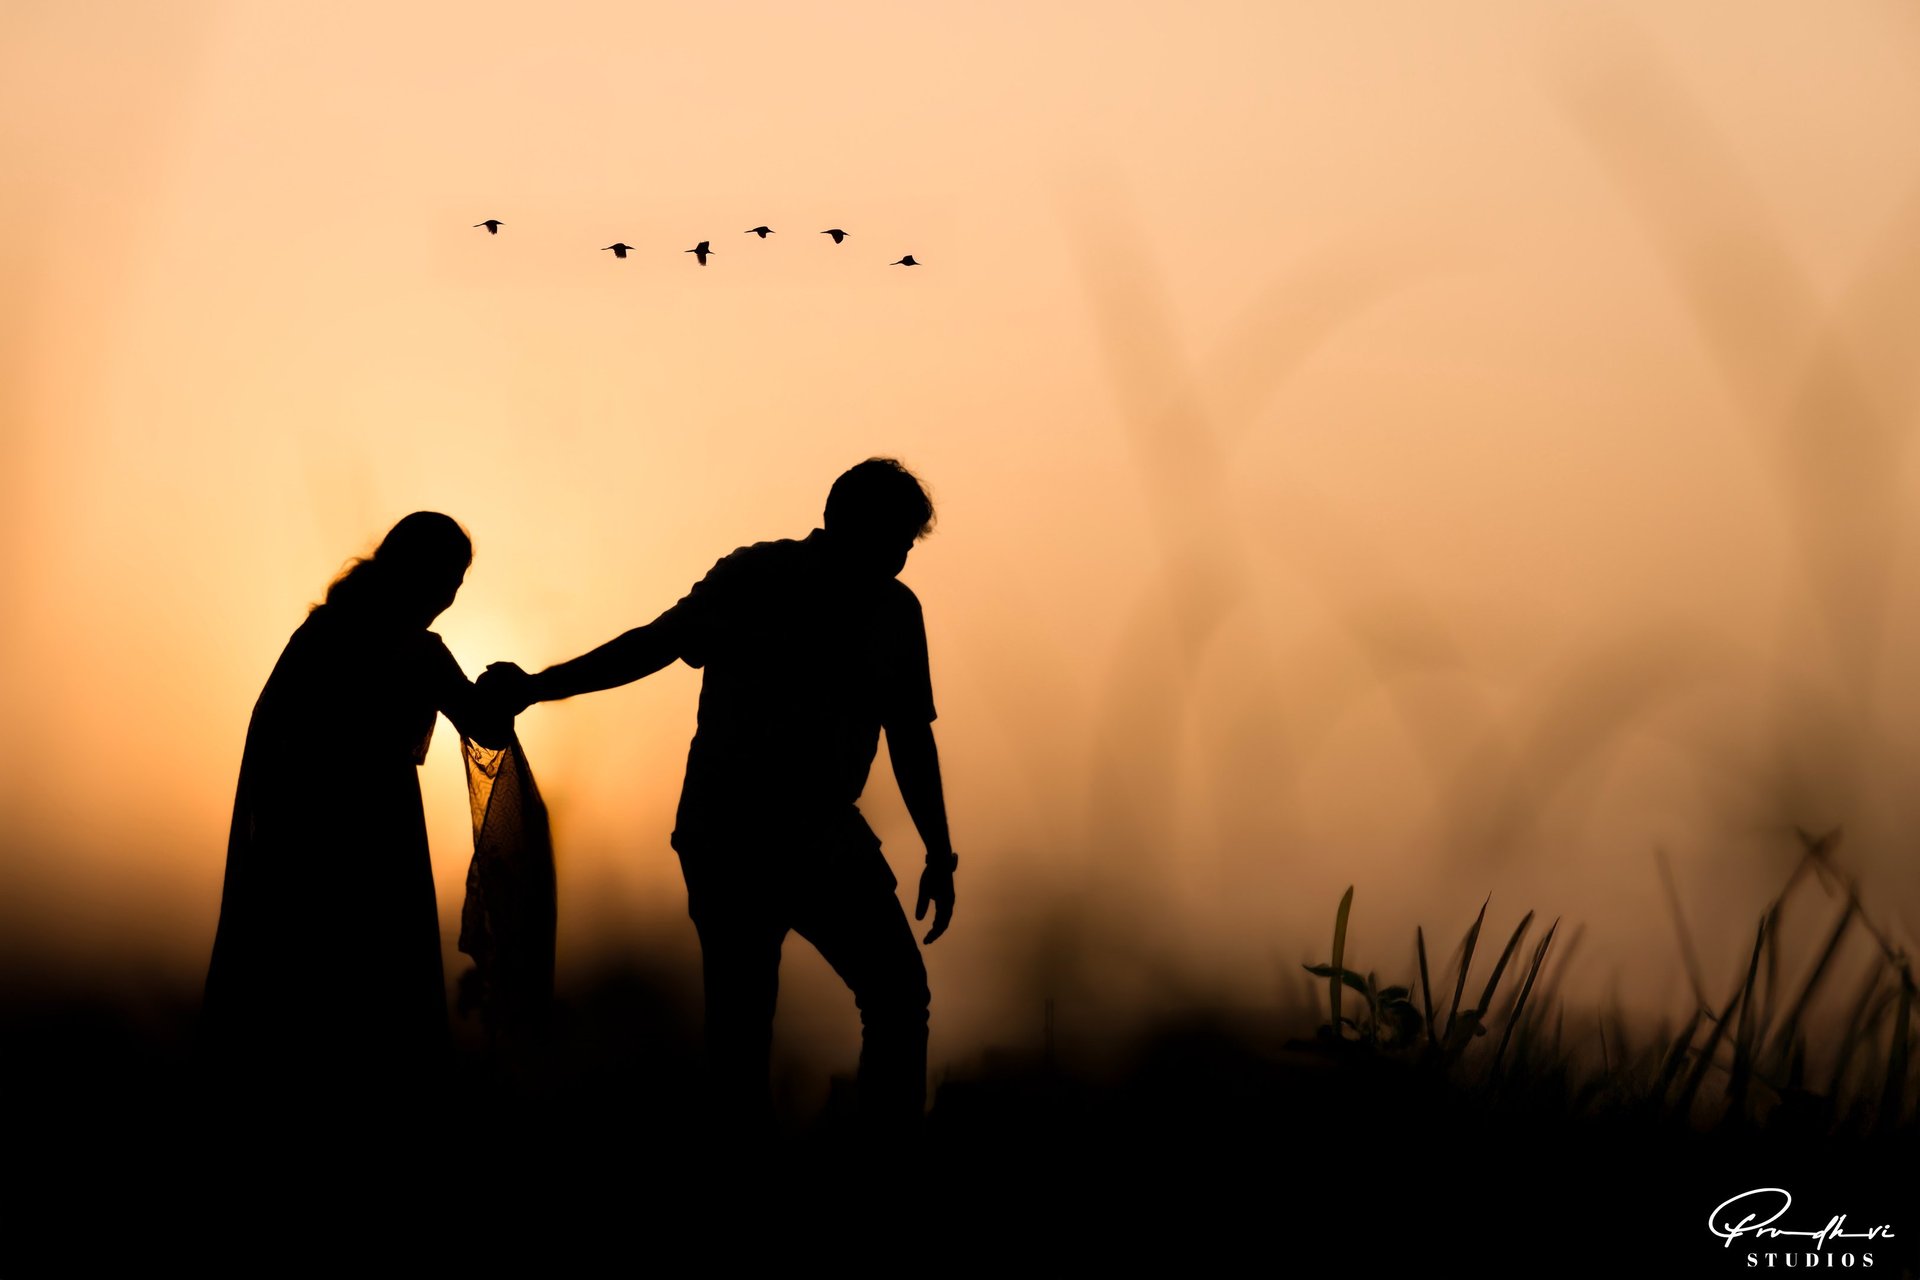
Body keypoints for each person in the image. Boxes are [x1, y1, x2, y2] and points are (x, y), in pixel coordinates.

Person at [483, 458, 957, 1136]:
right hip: (734, 833)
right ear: (852, 523)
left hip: (813, 833)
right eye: (897, 538)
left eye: (909, 543)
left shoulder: (891, 611)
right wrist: (540, 686)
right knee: (748, 1026)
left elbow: (911, 737)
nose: (902, 556)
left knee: (893, 999)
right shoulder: (759, 577)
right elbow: (653, 646)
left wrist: (940, 851)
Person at [200, 511, 514, 1122]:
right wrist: (507, 690)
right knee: (355, 990)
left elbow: (478, 720)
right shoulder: (400, 651)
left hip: (323, 838)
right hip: (352, 841)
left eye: (458, 583)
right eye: (447, 577)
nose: (449, 596)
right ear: (417, 572)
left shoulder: (332, 637)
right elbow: (483, 724)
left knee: (326, 993)